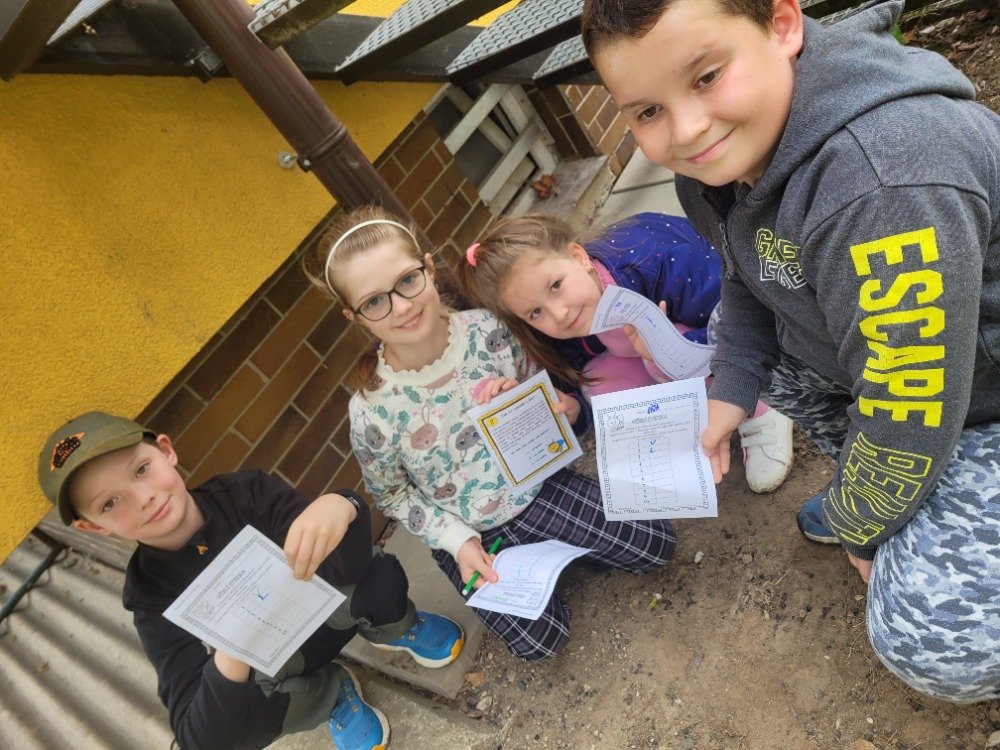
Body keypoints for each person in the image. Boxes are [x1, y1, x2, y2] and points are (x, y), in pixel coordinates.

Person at [581, 0, 1000, 702]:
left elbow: (909, 408)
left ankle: (883, 499)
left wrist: (860, 529)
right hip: (923, 371)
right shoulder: (716, 165)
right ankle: (882, 490)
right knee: (737, 341)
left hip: (970, 392)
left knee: (931, 639)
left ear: (782, 23)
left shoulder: (881, 183)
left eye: (707, 76)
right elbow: (746, 275)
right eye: (647, 111)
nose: (686, 129)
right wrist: (731, 391)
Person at [307, 205, 675, 662]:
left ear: (428, 268)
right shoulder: (371, 412)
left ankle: (568, 548)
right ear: (355, 316)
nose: (401, 306)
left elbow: (549, 401)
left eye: (407, 280)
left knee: (656, 544)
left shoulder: (489, 331)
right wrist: (456, 541)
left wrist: (543, 406)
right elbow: (392, 495)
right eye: (374, 302)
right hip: (470, 535)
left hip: (540, 491)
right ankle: (556, 559)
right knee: (540, 643)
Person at [38, 411, 465, 749]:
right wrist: (231, 651)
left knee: (377, 576)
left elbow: (344, 567)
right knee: (236, 723)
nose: (143, 497)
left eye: (140, 470)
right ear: (93, 527)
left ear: (165, 451)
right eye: (109, 503)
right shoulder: (149, 594)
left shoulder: (245, 492)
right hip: (276, 664)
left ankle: (398, 627)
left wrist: (344, 504)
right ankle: (330, 695)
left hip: (324, 614)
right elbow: (195, 734)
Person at [459, 210, 794, 493]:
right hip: (653, 356)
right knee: (597, 381)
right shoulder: (563, 328)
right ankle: (682, 427)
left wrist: (663, 348)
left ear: (578, 257)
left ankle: (760, 410)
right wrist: (574, 409)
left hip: (721, 333)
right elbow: (577, 382)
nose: (558, 314)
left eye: (556, 286)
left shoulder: (652, 260)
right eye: (535, 312)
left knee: (666, 348)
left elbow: (733, 318)